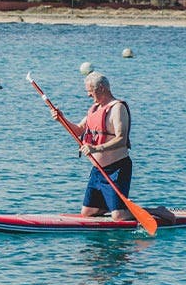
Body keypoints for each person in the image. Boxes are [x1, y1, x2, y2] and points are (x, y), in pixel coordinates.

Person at [49, 71, 133, 220]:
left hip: (117, 168)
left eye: (90, 91)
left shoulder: (117, 108)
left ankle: (156, 211)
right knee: (87, 212)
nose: (88, 95)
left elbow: (121, 139)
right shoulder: (94, 109)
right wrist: (61, 119)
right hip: (98, 170)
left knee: (118, 216)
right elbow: (79, 130)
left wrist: (96, 148)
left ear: (101, 88)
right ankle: (117, 205)